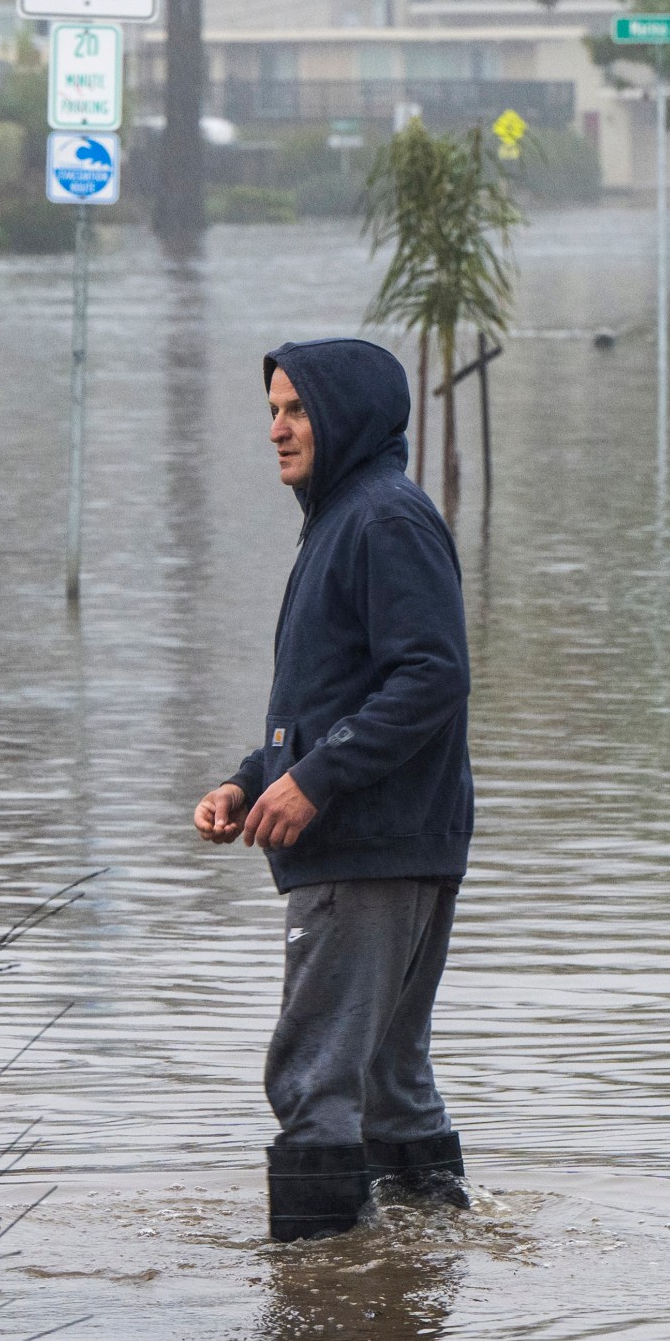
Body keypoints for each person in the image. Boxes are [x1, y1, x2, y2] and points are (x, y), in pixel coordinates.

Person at [195, 339, 475, 1242]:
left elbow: (431, 676)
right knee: (390, 1083)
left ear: (346, 415)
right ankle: (422, 1275)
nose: (277, 429)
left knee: (314, 1080)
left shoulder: (380, 518)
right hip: (392, 840)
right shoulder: (347, 520)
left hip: (364, 850)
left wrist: (313, 782)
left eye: (297, 410)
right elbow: (338, 695)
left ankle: (318, 1323)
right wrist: (252, 780)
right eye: (272, 411)